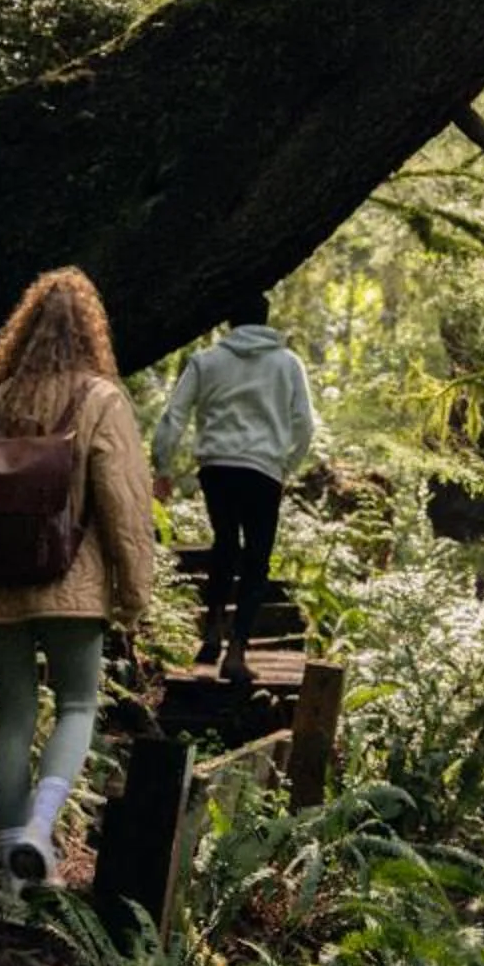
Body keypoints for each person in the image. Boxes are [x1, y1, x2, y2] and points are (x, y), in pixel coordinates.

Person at [0, 267, 153, 886]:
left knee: (12, 714)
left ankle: (14, 874)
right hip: (73, 584)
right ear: (92, 332)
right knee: (78, 703)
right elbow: (124, 503)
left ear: (23, 330)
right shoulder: (101, 401)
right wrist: (134, 594)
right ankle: (40, 828)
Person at [151, 292, 316, 683]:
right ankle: (237, 652)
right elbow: (304, 425)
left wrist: (163, 466)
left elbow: (175, 414)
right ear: (266, 320)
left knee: (225, 542)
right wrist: (285, 467)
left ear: (228, 324)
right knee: (257, 558)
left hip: (217, 468)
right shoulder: (287, 364)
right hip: (264, 471)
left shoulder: (206, 361)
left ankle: (211, 631)